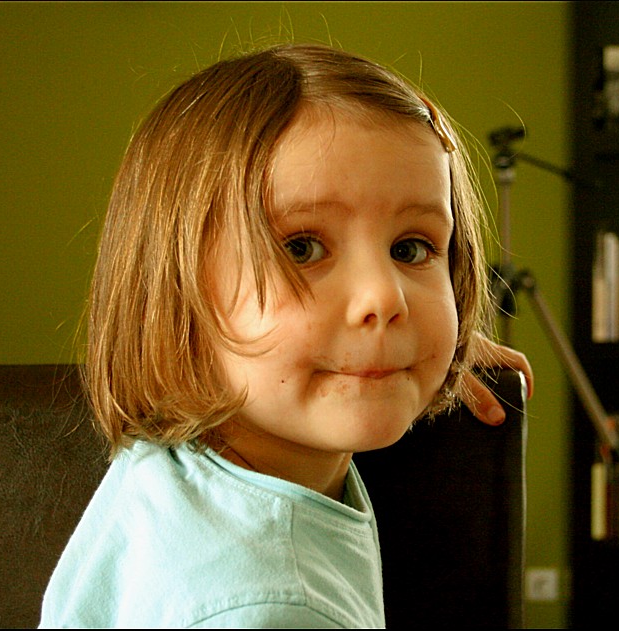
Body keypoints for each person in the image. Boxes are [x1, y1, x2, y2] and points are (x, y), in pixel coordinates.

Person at [39, 42, 533, 628]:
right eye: (301, 249)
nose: (384, 298)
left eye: (409, 249)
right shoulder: (271, 609)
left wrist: (433, 351)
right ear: (177, 296)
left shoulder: (174, 467)